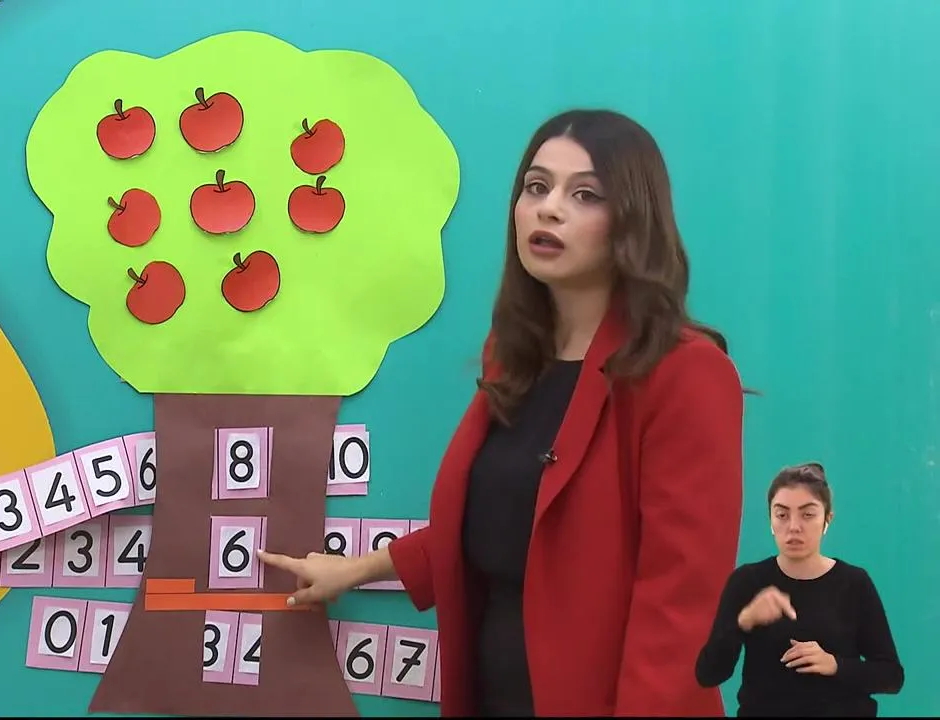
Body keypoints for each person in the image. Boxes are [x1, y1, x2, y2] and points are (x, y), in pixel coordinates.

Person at [257, 108, 747, 716]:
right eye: (536, 187)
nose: (548, 209)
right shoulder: (515, 356)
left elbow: (682, 611)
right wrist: (359, 569)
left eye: (585, 194)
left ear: (633, 220)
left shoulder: (684, 374)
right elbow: (506, 518)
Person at [694, 463, 904, 716]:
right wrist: (743, 622)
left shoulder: (854, 583)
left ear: (827, 520)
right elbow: (708, 674)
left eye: (807, 514)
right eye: (782, 515)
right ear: (771, 521)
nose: (794, 526)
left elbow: (891, 676)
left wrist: (834, 665)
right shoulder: (747, 581)